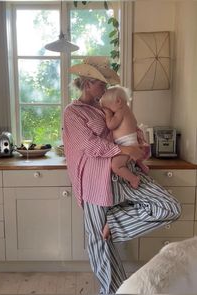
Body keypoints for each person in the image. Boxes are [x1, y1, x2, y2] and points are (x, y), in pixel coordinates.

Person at [63, 56, 181, 294]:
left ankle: (114, 224)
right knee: (99, 244)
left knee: (169, 207)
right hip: (95, 181)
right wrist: (122, 149)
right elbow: (88, 145)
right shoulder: (72, 112)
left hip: (127, 172)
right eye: (101, 84)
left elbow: (129, 128)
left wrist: (138, 143)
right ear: (87, 84)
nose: (105, 87)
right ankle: (113, 291)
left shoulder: (108, 106)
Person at [100, 86, 150, 189]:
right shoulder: (128, 110)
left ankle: (133, 179)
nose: (109, 110)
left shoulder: (120, 111)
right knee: (132, 158)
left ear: (118, 101)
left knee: (116, 166)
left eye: (108, 107)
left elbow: (111, 125)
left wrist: (108, 114)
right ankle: (142, 166)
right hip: (131, 141)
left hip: (126, 143)